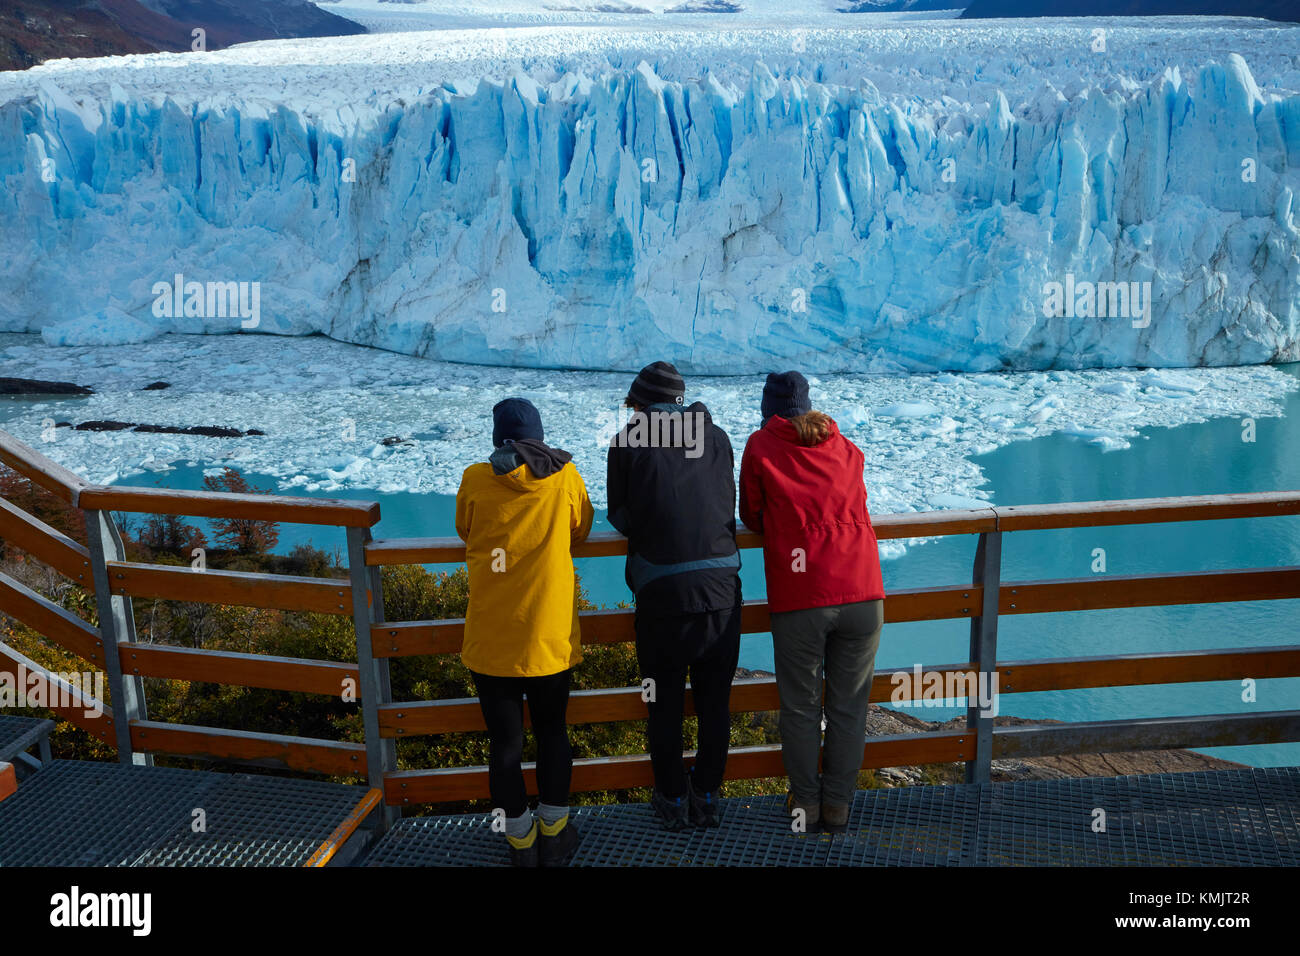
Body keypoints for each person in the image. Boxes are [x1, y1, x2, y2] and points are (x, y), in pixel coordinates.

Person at [738, 371, 885, 834]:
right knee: (849, 707)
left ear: (769, 410)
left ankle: (806, 804)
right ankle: (838, 807)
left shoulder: (761, 447)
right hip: (863, 591)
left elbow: (751, 515)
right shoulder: (845, 447)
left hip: (802, 596)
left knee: (801, 707)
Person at [455, 397, 594, 866]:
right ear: (538, 436)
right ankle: (554, 833)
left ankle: (520, 843)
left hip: (492, 640)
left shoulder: (476, 479)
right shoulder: (565, 478)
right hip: (548, 638)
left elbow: (464, 528)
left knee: (505, 745)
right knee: (553, 734)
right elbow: (583, 528)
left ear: (498, 438)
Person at [607, 361, 742, 830]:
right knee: (714, 703)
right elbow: (726, 502)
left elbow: (621, 517)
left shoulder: (626, 442)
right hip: (721, 592)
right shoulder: (719, 437)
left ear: (639, 403)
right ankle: (705, 794)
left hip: (661, 597)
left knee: (661, 703)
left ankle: (670, 798)